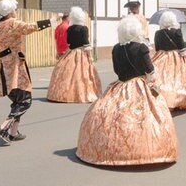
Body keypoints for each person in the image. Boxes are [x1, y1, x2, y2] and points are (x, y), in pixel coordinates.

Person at [76, 15, 178, 165]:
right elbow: (149, 70)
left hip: (120, 84)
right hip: (138, 85)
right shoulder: (141, 47)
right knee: (145, 118)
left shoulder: (116, 48)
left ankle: (113, 147)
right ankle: (142, 149)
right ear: (137, 31)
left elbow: (116, 70)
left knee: (112, 117)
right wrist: (153, 82)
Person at [0, 0, 60, 144]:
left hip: (4, 67)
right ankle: (4, 127)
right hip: (16, 66)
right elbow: (30, 27)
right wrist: (52, 21)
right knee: (25, 100)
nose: (15, 12)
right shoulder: (13, 23)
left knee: (17, 100)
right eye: (14, 9)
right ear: (10, 11)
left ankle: (13, 133)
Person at [47, 6, 102, 103]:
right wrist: (89, 52)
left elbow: (68, 41)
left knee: (67, 73)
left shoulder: (70, 28)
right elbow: (85, 42)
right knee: (83, 74)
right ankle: (82, 93)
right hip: (81, 52)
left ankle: (65, 94)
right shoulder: (84, 28)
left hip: (71, 51)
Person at [151, 11, 186, 111]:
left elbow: (157, 48)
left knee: (163, 81)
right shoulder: (177, 31)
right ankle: (177, 101)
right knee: (177, 81)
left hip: (161, 57)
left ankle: (165, 101)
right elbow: (183, 49)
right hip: (175, 58)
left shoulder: (158, 33)